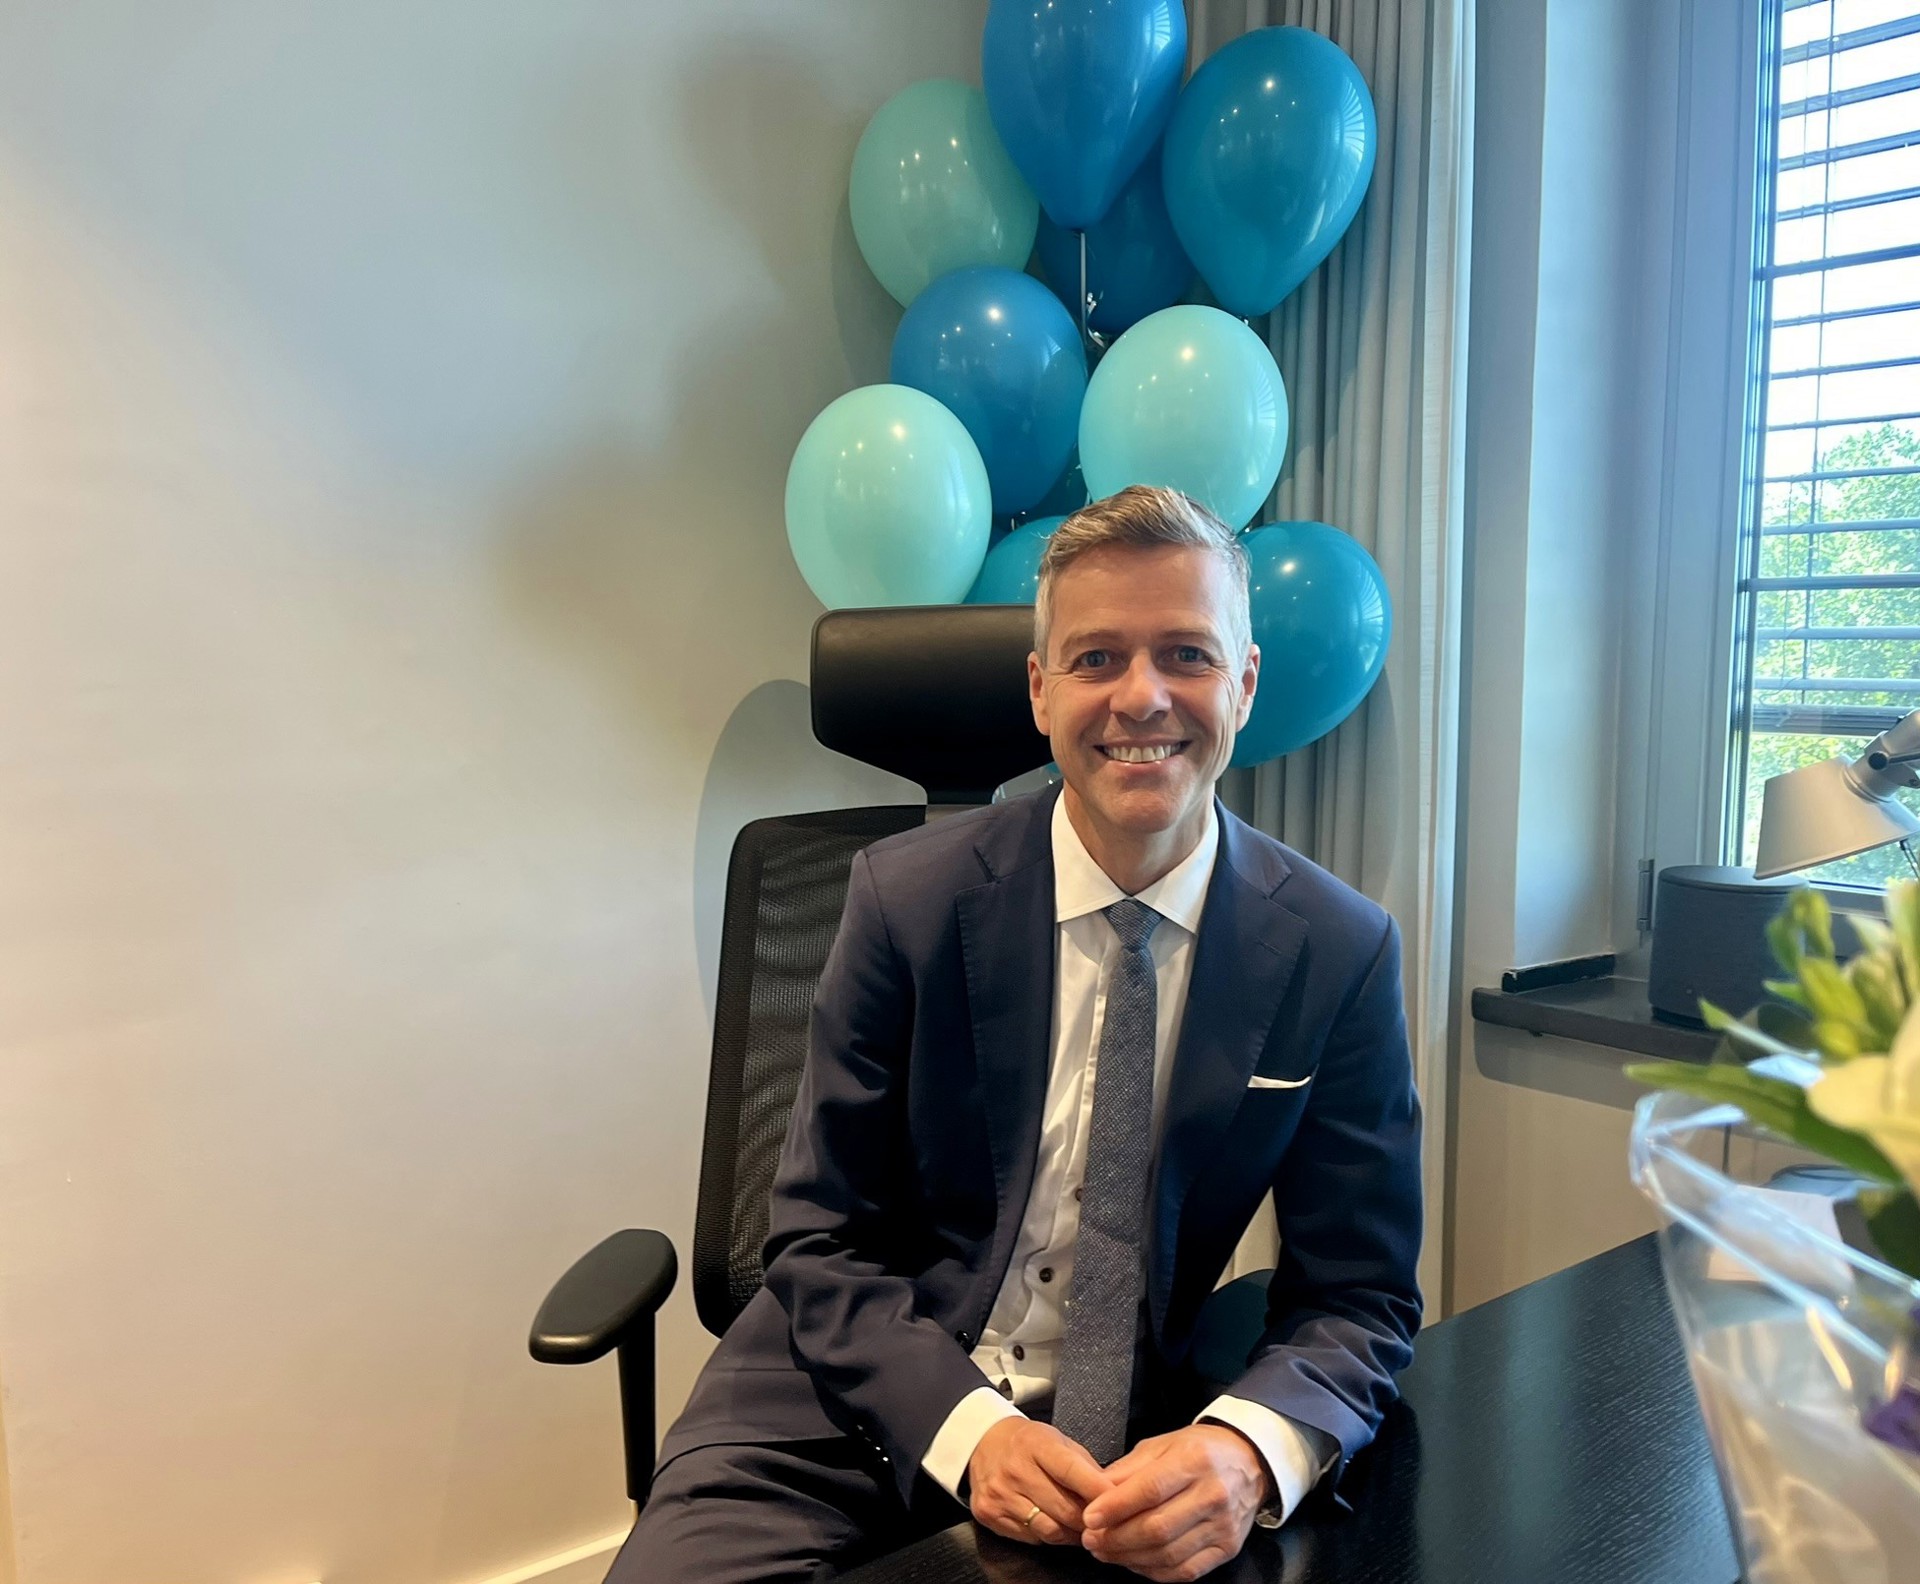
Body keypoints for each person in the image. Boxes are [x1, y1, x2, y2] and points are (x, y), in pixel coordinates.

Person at [610, 486, 1422, 1583]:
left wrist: (1247, 1452)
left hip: (1135, 1440)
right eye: (1096, 660)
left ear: (1245, 682)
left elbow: (1359, 1296)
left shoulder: (1339, 947)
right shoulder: (905, 900)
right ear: (1041, 692)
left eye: (1186, 652)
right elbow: (817, 1241)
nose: (1143, 698)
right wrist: (970, 1429)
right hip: (837, 1407)